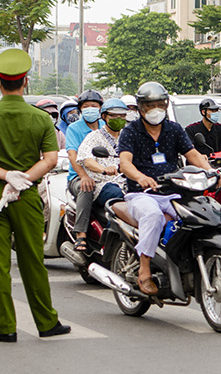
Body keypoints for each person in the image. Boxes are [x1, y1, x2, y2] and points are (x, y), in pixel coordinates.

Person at [0, 48, 69, 341]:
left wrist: (4, 176)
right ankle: (47, 323)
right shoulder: (40, 118)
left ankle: (5, 327)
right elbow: (49, 159)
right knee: (32, 259)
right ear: (25, 83)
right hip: (27, 195)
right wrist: (22, 179)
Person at [116, 81, 212, 294]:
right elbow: (125, 163)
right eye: (150, 105)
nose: (155, 110)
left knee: (197, 215)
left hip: (172, 192)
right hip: (141, 194)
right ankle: (144, 270)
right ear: (141, 108)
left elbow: (192, 154)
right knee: (153, 216)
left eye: (160, 104)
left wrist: (212, 171)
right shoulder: (130, 132)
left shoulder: (174, 129)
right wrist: (140, 177)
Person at [73, 98, 131, 250]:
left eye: (122, 116)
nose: (119, 119)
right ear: (104, 117)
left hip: (128, 182)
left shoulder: (128, 136)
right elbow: (86, 159)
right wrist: (103, 169)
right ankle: (112, 238)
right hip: (103, 182)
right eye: (113, 116)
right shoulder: (94, 136)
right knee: (117, 198)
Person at [64, 89, 105, 250]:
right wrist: (83, 176)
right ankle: (81, 234)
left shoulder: (105, 126)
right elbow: (72, 155)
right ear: (80, 109)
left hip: (106, 175)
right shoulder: (74, 128)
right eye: (86, 106)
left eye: (94, 105)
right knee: (87, 187)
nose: (90, 109)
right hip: (78, 177)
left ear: (100, 108)